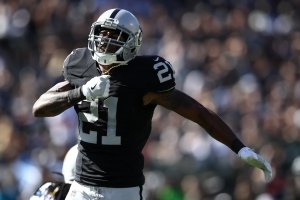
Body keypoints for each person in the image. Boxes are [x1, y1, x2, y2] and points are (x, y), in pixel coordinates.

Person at [32, 8, 272, 200]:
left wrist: (239, 148)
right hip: (81, 188)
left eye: (115, 36)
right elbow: (40, 107)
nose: (105, 40)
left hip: (122, 190)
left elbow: (197, 112)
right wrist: (81, 92)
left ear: (132, 43)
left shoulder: (145, 75)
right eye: (103, 33)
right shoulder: (80, 64)